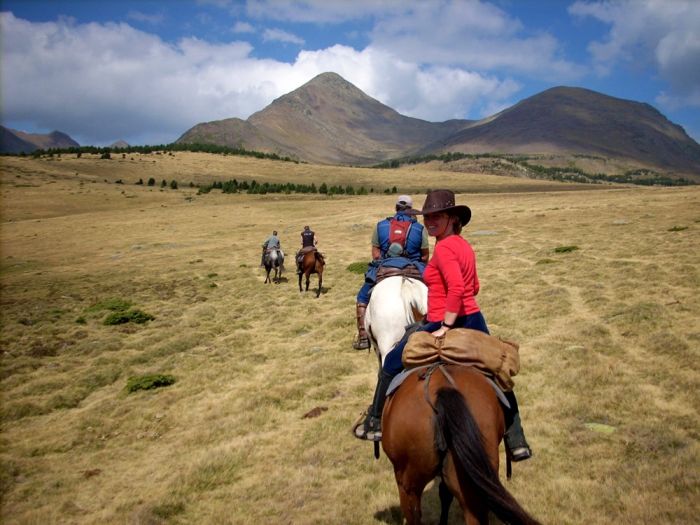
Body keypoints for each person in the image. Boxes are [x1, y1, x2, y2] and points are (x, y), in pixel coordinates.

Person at [354, 189, 532, 462]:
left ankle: (375, 420)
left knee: (391, 362)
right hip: (474, 317)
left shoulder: (446, 247)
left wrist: (445, 325)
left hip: (443, 319)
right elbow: (474, 286)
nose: (431, 221)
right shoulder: (463, 244)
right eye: (428, 216)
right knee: (496, 370)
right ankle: (516, 437)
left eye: (438, 216)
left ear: (451, 217)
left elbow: (458, 287)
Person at [353, 195, 429, 350]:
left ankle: (363, 337)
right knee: (437, 292)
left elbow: (375, 255)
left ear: (396, 208)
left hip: (386, 268)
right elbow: (425, 256)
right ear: (410, 209)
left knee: (362, 297)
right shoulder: (420, 228)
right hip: (413, 269)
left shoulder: (380, 226)